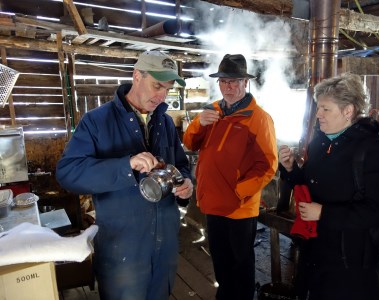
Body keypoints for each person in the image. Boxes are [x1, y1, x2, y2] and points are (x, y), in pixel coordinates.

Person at [56, 50, 194, 300]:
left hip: (165, 247)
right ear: (137, 76)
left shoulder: (163, 122)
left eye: (168, 89)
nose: (162, 95)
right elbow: (67, 172)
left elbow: (182, 166)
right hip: (122, 249)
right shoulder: (97, 121)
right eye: (157, 85)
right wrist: (125, 165)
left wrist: (185, 184)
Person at [278, 73, 379, 300]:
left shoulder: (372, 151)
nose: (318, 114)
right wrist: (290, 169)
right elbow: (309, 182)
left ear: (348, 111)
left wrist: (324, 213)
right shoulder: (321, 142)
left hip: (351, 266)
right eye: (318, 108)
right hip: (316, 253)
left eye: (326, 109)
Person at [183, 54, 278, 300]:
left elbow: (267, 164)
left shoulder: (258, 118)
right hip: (213, 202)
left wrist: (239, 191)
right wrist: (198, 122)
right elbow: (190, 143)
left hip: (239, 207)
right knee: (221, 263)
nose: (229, 87)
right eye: (224, 81)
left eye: (234, 81)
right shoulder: (212, 111)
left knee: (241, 265)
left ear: (245, 83)